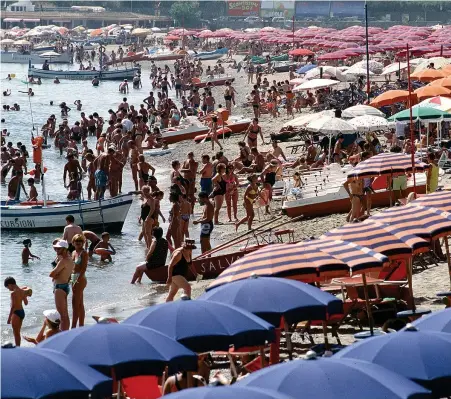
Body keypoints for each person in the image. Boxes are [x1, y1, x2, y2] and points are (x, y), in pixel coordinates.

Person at [50, 240, 74, 331]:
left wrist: (56, 274)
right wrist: (58, 274)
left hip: (59, 287)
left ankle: (63, 333)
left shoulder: (63, 261)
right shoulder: (70, 259)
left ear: (64, 249)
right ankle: (66, 332)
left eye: (59, 249)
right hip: (65, 286)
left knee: (62, 315)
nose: (57, 250)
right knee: (65, 314)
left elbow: (51, 274)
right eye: (56, 248)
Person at [5, 276, 31, 346]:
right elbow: (26, 303)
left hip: (16, 314)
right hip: (22, 312)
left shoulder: (13, 294)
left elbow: (13, 307)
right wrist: (24, 296)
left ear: (10, 284)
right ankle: (18, 347)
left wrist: (9, 318)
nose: (8, 289)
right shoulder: (22, 291)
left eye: (8, 287)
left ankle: (17, 349)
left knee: (16, 333)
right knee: (17, 333)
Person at [71, 234, 88, 328]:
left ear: (83, 242)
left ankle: (73, 326)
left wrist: (77, 280)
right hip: (73, 278)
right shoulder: (73, 252)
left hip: (80, 279)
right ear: (73, 242)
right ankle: (81, 325)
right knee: (80, 303)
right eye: (76, 241)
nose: (78, 243)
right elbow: (71, 267)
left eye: (80, 241)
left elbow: (84, 268)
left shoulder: (84, 253)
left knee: (75, 304)